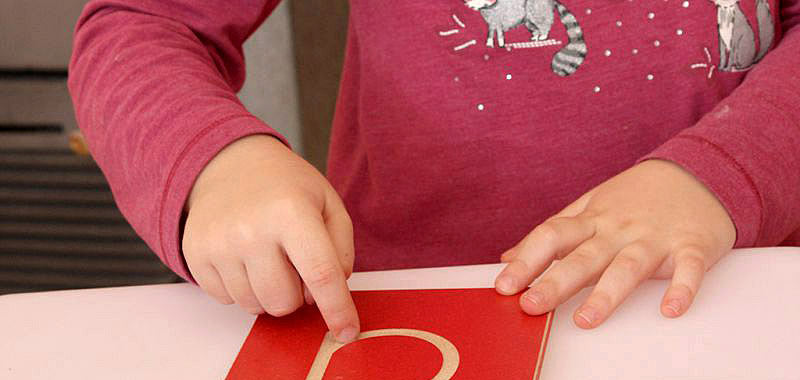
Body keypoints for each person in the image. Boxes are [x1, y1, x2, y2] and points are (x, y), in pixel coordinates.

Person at [69, 0, 800, 343]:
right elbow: (143, 23)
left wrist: (719, 172)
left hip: (732, 302)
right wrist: (213, 160)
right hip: (411, 319)